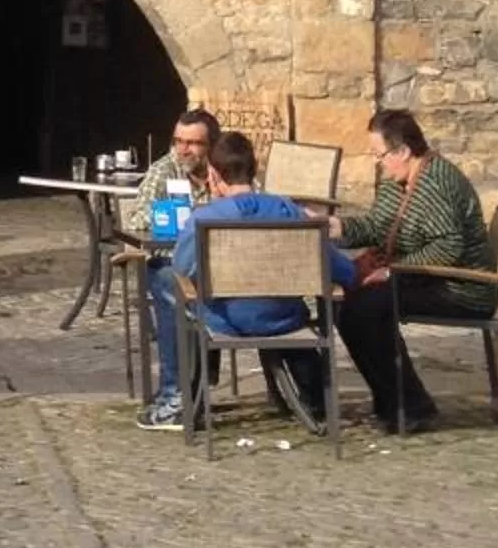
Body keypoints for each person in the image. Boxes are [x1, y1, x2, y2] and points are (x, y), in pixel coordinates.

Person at [139, 130, 353, 431]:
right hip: (284, 318)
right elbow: (333, 264)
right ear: (254, 171)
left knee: (162, 276)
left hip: (227, 320)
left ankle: (178, 398)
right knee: (279, 304)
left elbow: (183, 267)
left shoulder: (204, 219)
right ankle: (315, 394)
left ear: (213, 173)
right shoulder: (288, 211)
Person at [327, 109, 496, 434]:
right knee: (347, 308)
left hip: (460, 287)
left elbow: (448, 248)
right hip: (424, 278)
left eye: (381, 155)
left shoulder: (437, 183)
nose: (378, 162)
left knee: (366, 308)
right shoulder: (397, 182)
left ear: (403, 151)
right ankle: (393, 402)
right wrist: (334, 226)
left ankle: (412, 407)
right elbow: (377, 226)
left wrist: (392, 272)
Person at [121, 107, 218, 243]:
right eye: (178, 141)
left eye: (192, 143)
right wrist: (181, 213)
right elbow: (136, 222)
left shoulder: (225, 169)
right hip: (172, 256)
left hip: (219, 254)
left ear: (212, 145)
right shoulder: (163, 170)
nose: (183, 150)